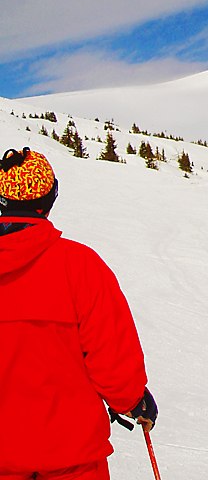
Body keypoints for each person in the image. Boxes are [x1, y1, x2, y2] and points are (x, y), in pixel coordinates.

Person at [0, 147, 157, 479]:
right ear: (49, 197)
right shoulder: (79, 266)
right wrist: (131, 399)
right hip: (72, 456)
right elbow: (112, 355)